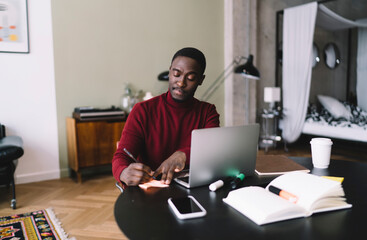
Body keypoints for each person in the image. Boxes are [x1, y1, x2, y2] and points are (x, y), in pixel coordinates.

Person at [112, 47, 220, 186]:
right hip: (152, 188)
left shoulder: (208, 112)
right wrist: (123, 172)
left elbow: (212, 149)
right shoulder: (142, 110)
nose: (181, 83)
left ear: (200, 80)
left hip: (193, 187)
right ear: (169, 72)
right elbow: (121, 156)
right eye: (176, 74)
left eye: (191, 78)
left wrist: (184, 154)